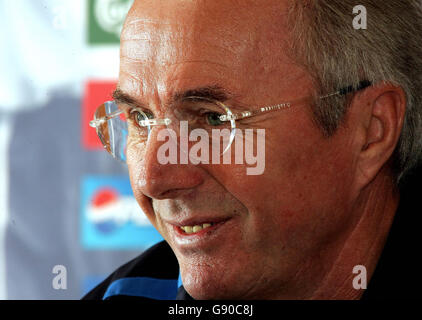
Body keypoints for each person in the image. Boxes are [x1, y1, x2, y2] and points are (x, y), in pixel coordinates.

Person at [83, 0, 422, 300]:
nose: (151, 180)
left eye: (213, 119)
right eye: (141, 118)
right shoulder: (128, 295)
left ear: (371, 131)